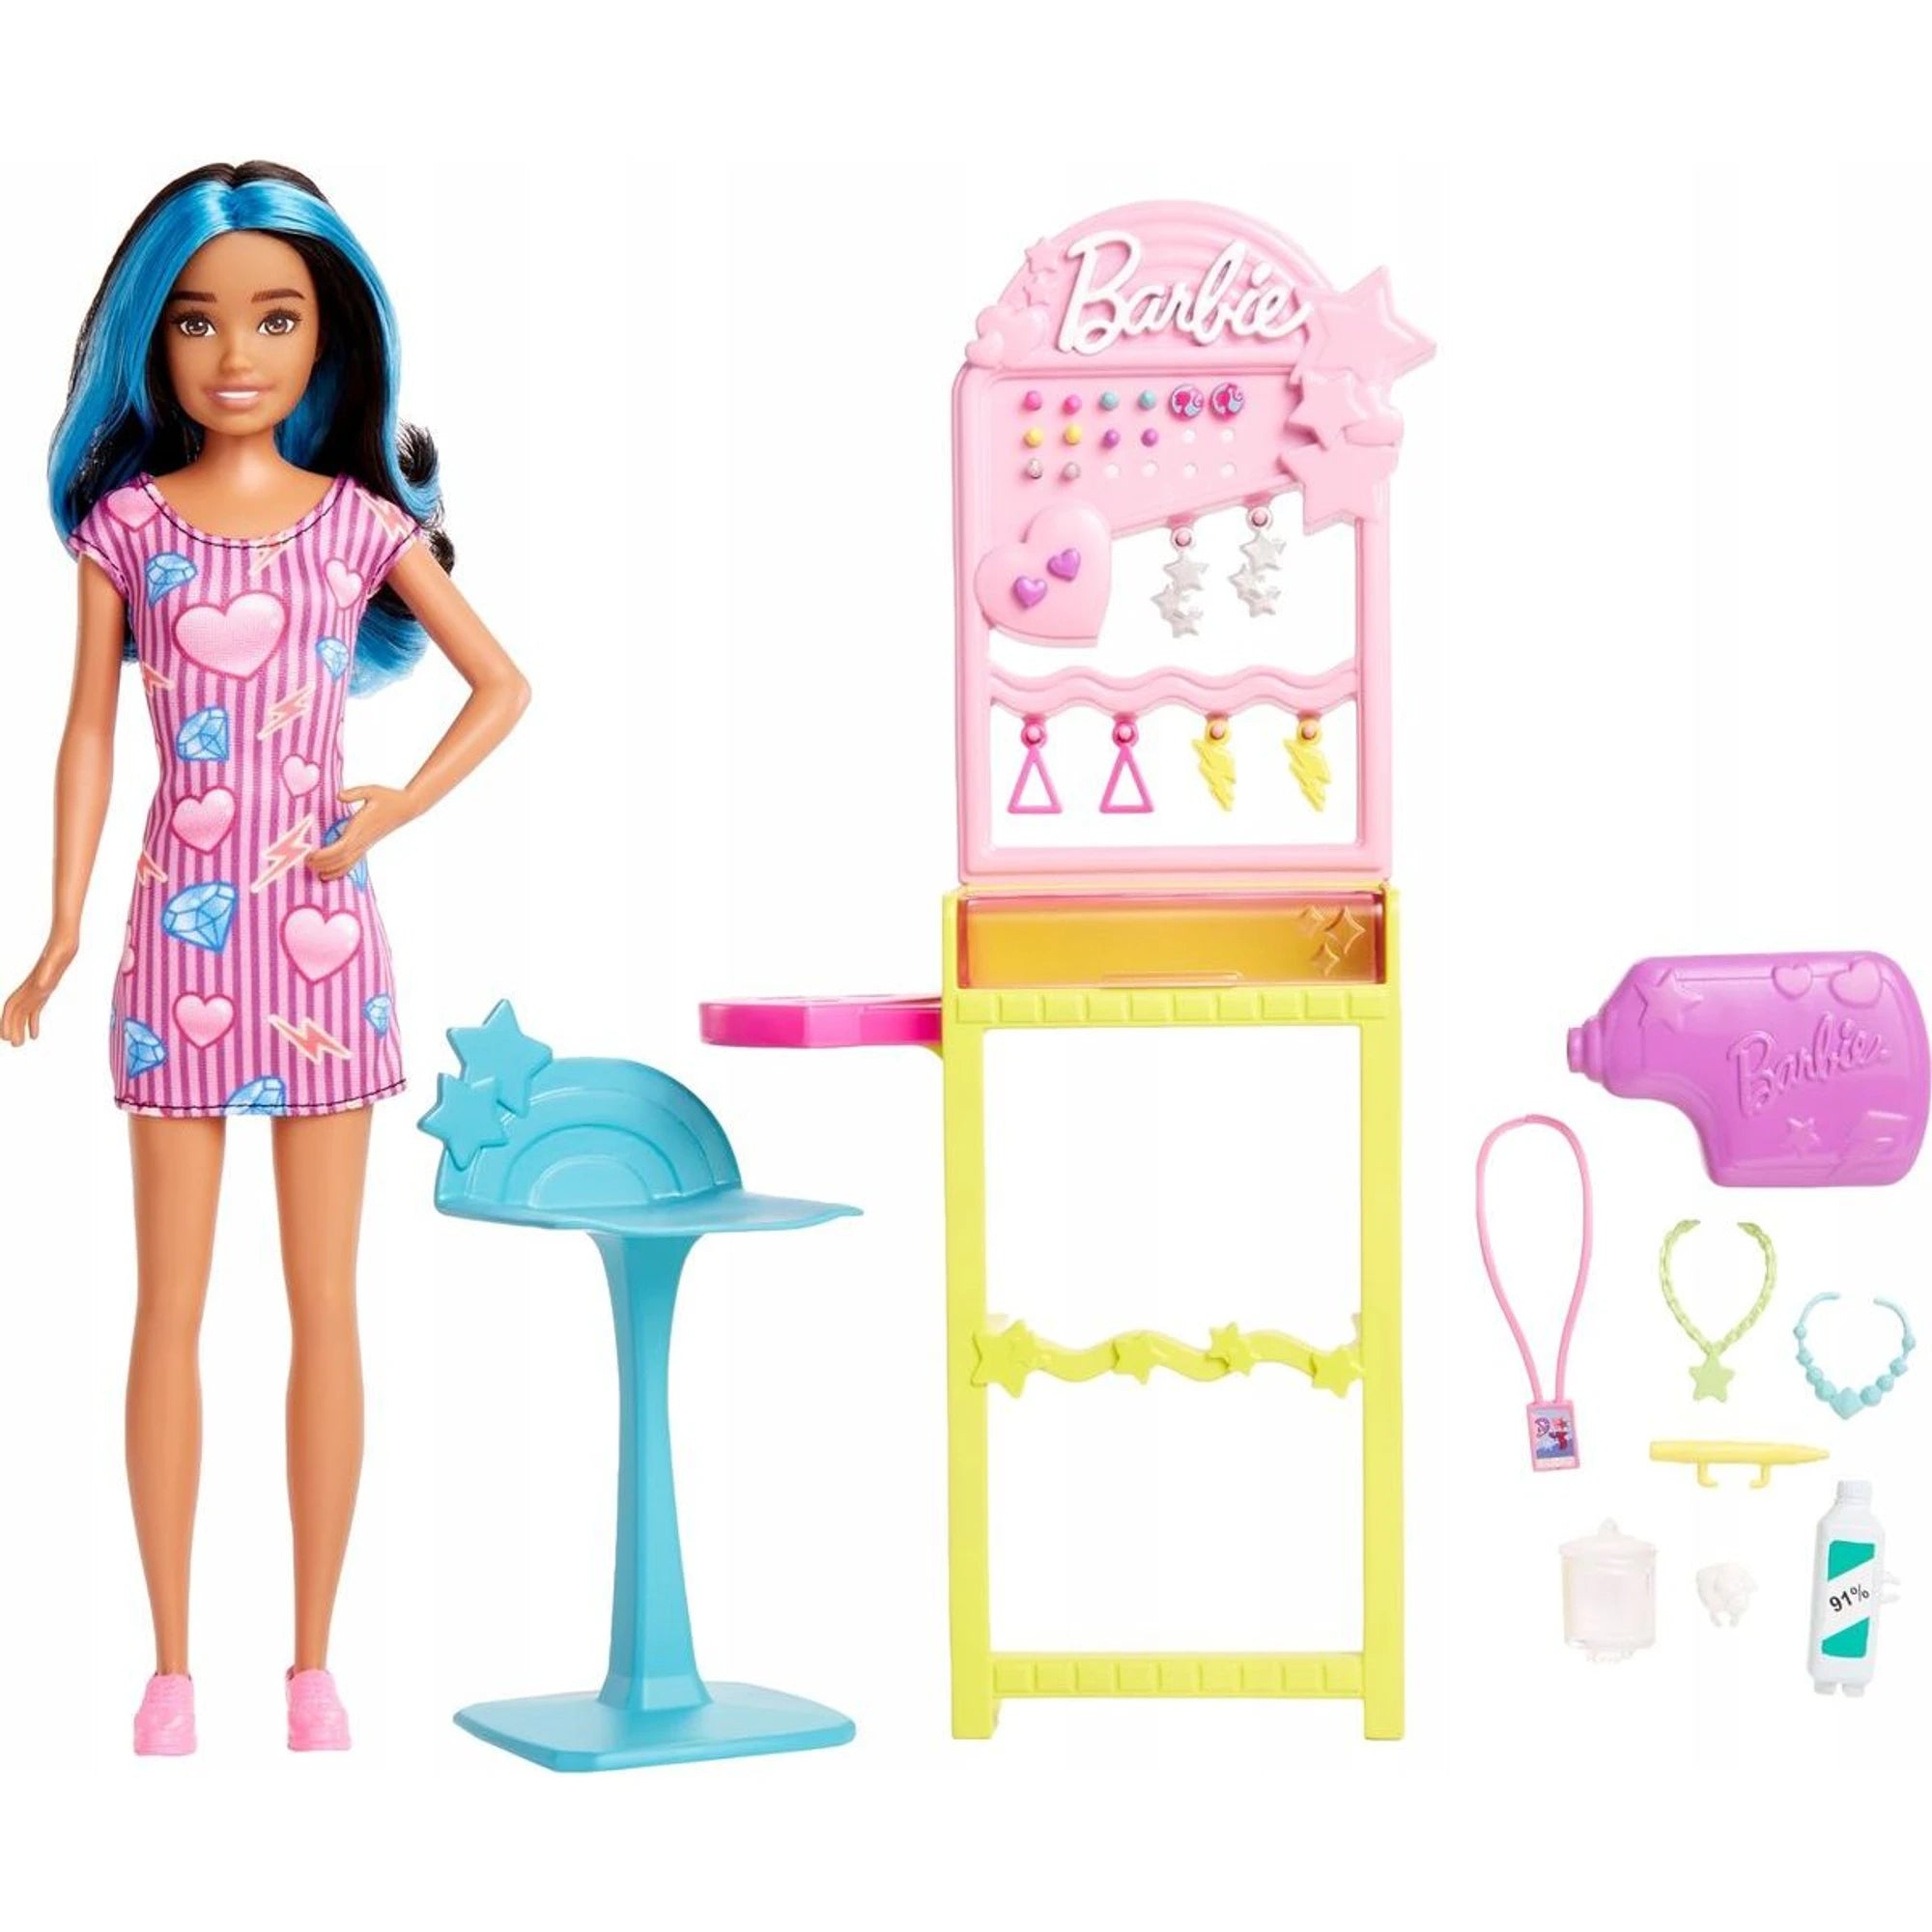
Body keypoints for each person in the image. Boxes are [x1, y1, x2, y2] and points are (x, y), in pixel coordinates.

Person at [1, 161, 530, 1753]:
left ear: (328, 336)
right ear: (149, 342)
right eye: (196, 322)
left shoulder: (360, 524)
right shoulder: (126, 528)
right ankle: (170, 1666)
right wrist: (60, 927)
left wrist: (395, 808)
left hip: (323, 945)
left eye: (276, 319)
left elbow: (502, 684)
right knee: (167, 1309)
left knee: (325, 1308)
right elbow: (87, 733)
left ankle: (312, 1665)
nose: (236, 354)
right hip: (174, 943)